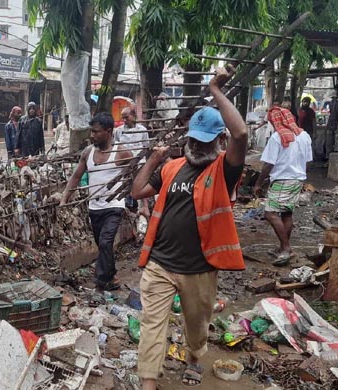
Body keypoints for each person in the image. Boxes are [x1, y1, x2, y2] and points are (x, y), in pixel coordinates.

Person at [130, 66, 247, 388]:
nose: (197, 146)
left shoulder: (225, 170)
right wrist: (153, 161)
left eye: (205, 141)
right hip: (160, 264)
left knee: (196, 325)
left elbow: (242, 135)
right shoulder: (172, 167)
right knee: (153, 323)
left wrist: (215, 89)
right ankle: (148, 382)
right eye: (193, 140)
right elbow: (137, 192)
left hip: (199, 268)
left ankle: (195, 357)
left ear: (219, 140)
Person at [60, 112, 134, 292]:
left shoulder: (121, 152)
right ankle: (113, 276)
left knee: (105, 242)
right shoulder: (88, 152)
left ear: (108, 132)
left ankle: (101, 282)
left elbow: (135, 173)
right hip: (94, 207)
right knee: (102, 245)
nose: (92, 135)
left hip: (114, 205)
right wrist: (64, 198)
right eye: (91, 131)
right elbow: (76, 176)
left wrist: (134, 196)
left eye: (96, 132)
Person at [253, 106, 312, 266]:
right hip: (297, 179)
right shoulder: (304, 135)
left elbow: (268, 164)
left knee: (270, 213)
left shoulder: (277, 137)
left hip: (283, 179)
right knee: (286, 213)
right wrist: (301, 177)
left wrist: (258, 183)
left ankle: (286, 248)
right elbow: (308, 161)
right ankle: (282, 248)